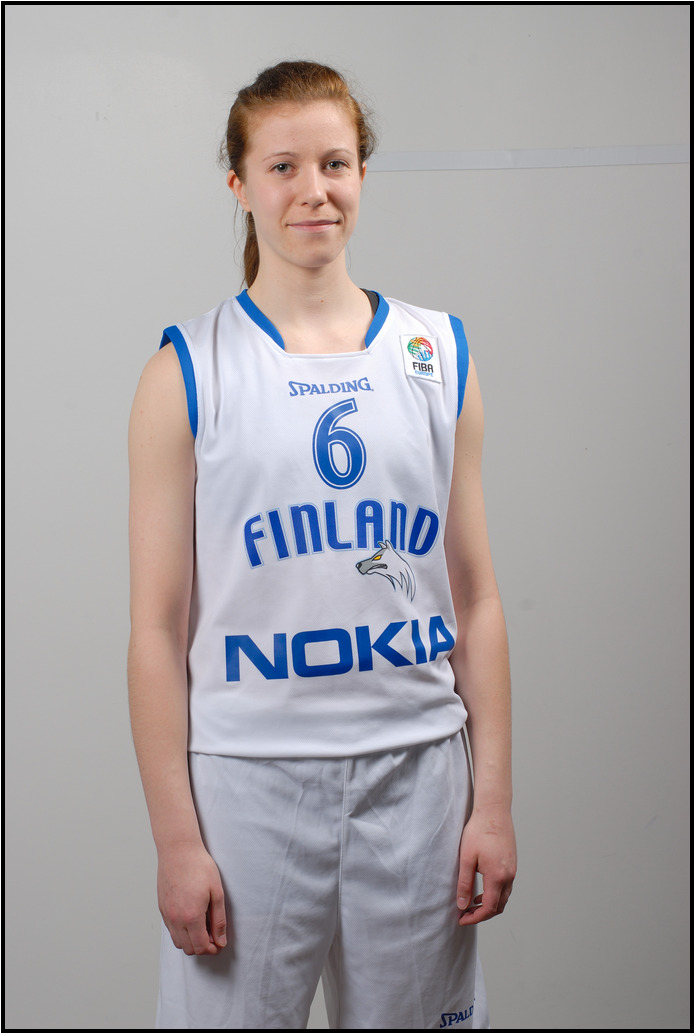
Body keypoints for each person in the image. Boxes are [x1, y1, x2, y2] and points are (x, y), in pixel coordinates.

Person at [128, 60, 516, 1032]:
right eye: (283, 167)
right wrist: (176, 839)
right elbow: (154, 630)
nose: (314, 190)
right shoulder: (187, 370)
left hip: (418, 775)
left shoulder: (436, 353)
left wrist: (492, 805)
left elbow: (475, 599)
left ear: (362, 173)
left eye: (335, 163)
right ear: (239, 183)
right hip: (247, 783)